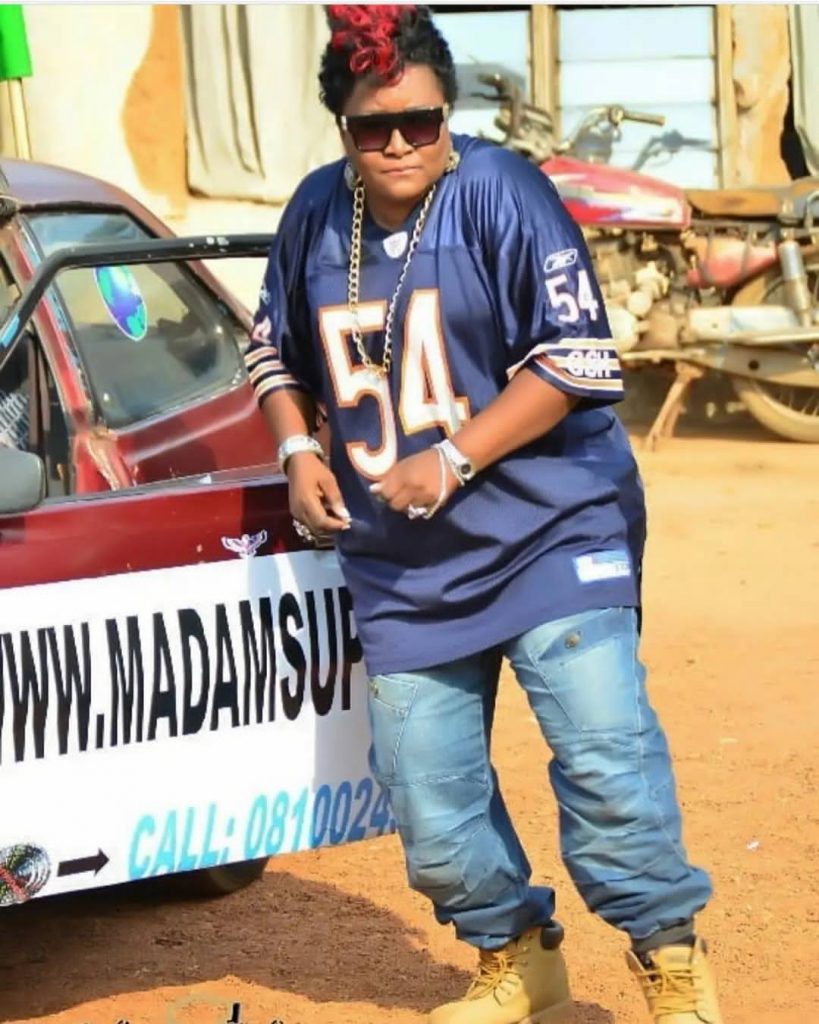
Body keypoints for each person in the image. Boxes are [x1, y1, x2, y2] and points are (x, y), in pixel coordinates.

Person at [245, 7, 722, 1023]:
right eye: (374, 127)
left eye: (420, 121)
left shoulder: (503, 191)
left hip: (551, 528)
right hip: (403, 562)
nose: (400, 143)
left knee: (606, 761)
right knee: (430, 803)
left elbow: (575, 359)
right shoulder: (315, 214)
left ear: (447, 114)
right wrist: (295, 449)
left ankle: (670, 960)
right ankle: (516, 957)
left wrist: (455, 457)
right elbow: (274, 352)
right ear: (342, 128)